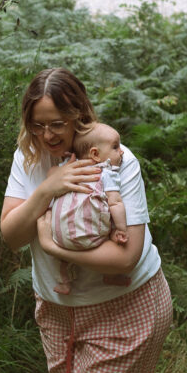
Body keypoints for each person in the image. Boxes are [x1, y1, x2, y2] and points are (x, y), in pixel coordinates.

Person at [0, 68, 172, 373]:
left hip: (127, 308)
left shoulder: (114, 158)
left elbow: (126, 255)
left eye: (57, 123)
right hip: (58, 312)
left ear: (78, 113)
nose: (48, 135)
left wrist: (55, 249)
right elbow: (11, 235)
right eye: (38, 125)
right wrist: (47, 189)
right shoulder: (29, 159)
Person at [50, 122, 129, 295]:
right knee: (111, 231)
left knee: (63, 258)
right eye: (115, 147)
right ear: (95, 154)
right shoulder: (106, 173)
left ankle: (64, 282)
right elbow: (115, 202)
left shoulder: (69, 168)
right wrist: (121, 228)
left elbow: (51, 175)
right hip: (90, 237)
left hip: (60, 237)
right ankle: (111, 274)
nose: (122, 151)